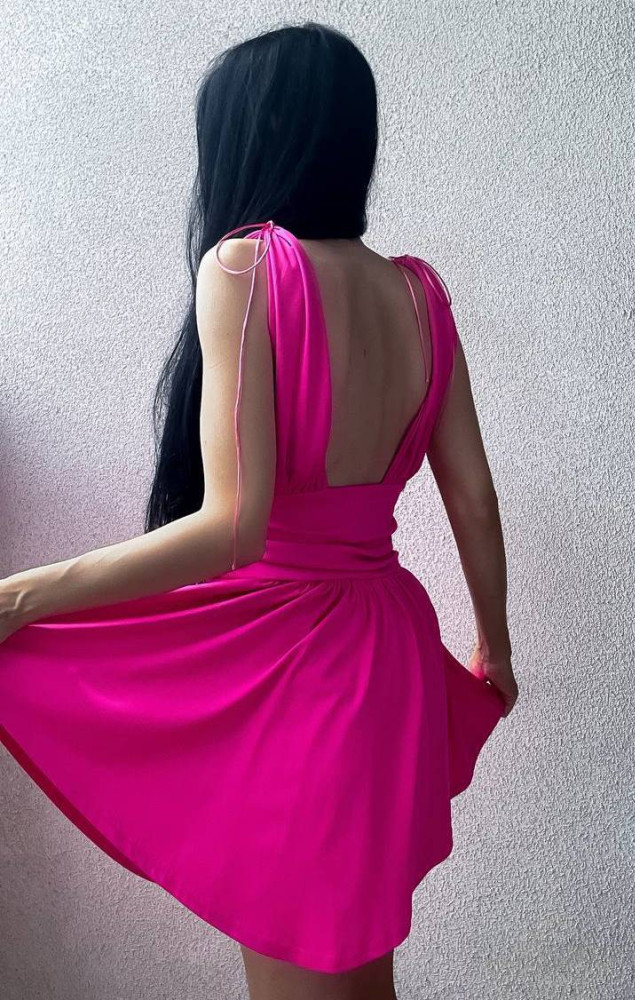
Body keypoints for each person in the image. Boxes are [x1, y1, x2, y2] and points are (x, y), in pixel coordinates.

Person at [0, 20, 519, 1000]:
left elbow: (233, 529)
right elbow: (475, 499)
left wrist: (20, 597)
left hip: (294, 665)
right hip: (390, 654)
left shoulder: (244, 267)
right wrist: (491, 649)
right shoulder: (419, 294)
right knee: (355, 970)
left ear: (248, 137)